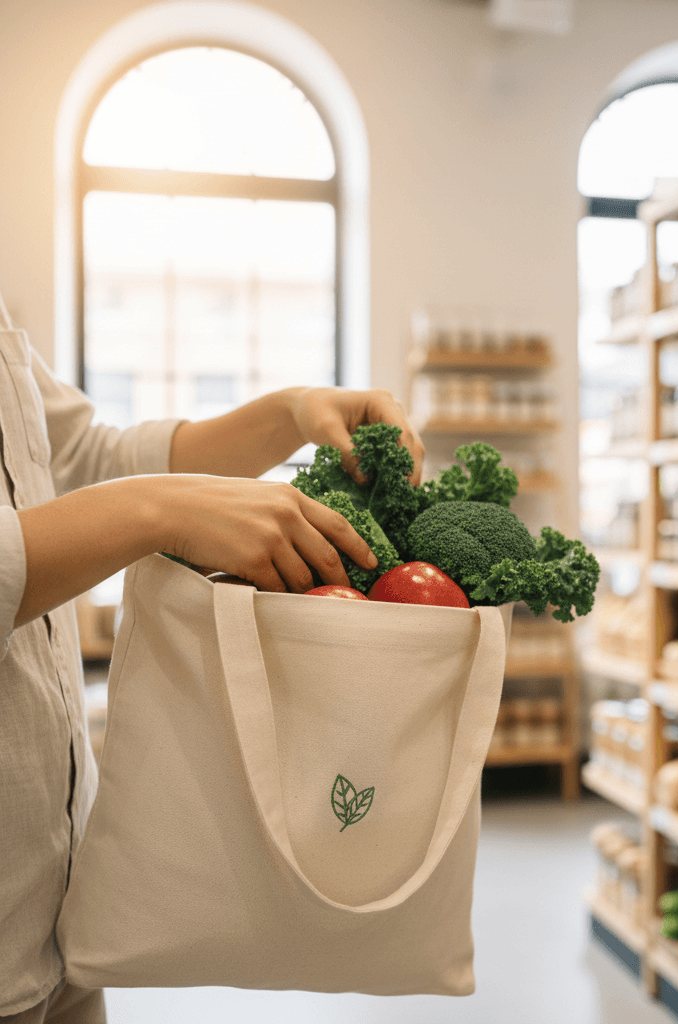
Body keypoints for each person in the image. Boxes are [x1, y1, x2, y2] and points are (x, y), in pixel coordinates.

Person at [0, 289, 424, 1023]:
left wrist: (290, 412)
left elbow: (80, 457)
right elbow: (115, 492)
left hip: (60, 903)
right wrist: (161, 511)